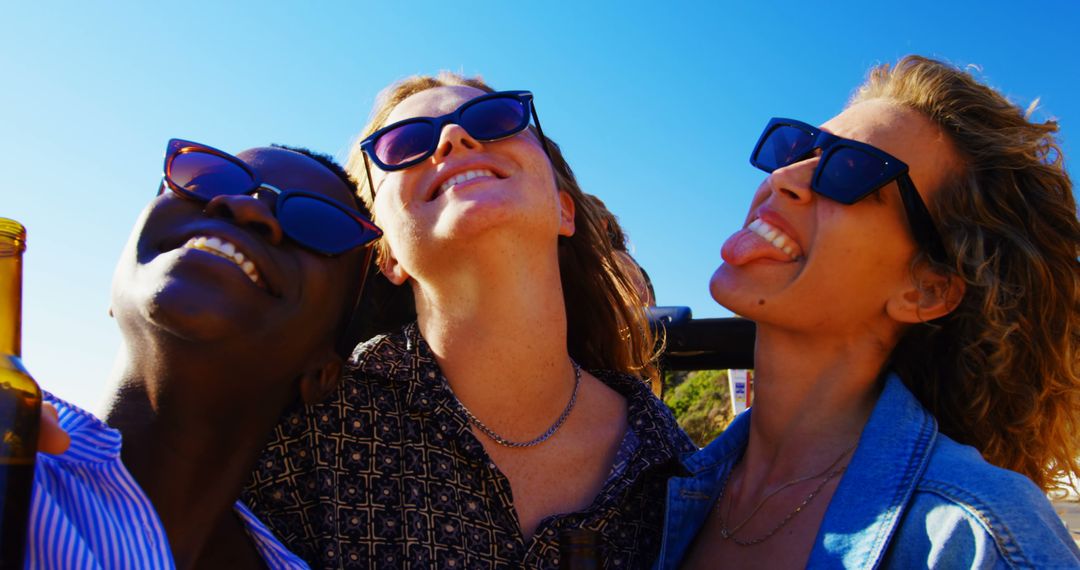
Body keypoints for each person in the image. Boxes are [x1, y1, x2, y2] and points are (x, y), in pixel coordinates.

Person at [243, 74, 694, 569]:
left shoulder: (678, 470)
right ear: (387, 255)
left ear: (564, 210)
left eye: (495, 121)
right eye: (405, 143)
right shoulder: (307, 436)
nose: (453, 138)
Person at [654, 55, 1080, 568]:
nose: (785, 175)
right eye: (796, 147)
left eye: (850, 170)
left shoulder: (975, 539)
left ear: (926, 290)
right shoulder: (655, 490)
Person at [27, 140, 381, 568]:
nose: (243, 207)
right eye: (208, 178)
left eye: (318, 223)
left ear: (324, 371)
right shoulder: (20, 467)